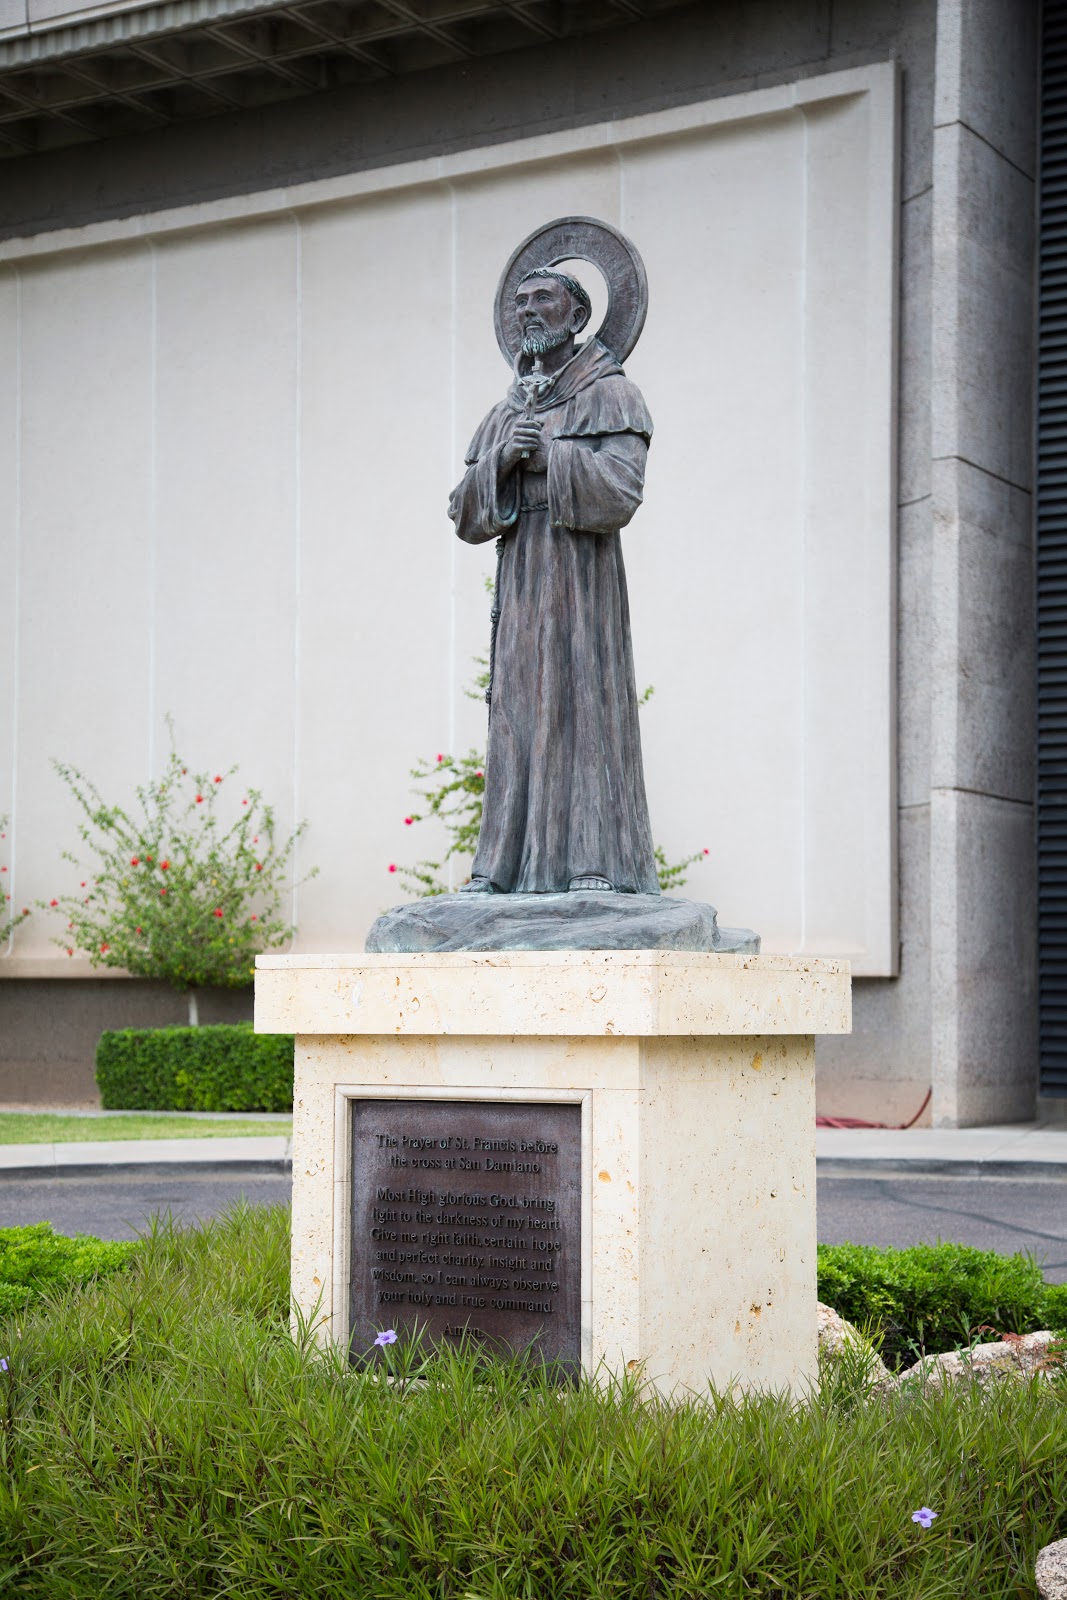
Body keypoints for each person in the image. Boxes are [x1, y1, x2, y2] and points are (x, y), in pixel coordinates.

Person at [448, 267, 659, 896]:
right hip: (521, 584)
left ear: (577, 316)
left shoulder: (612, 394)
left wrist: (551, 456)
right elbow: (462, 512)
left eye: (543, 299)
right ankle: (499, 869)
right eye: (519, 303)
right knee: (515, 716)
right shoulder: (504, 411)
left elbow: (622, 490)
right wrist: (503, 460)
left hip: (580, 579)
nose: (528, 312)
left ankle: (592, 868)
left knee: (582, 711)